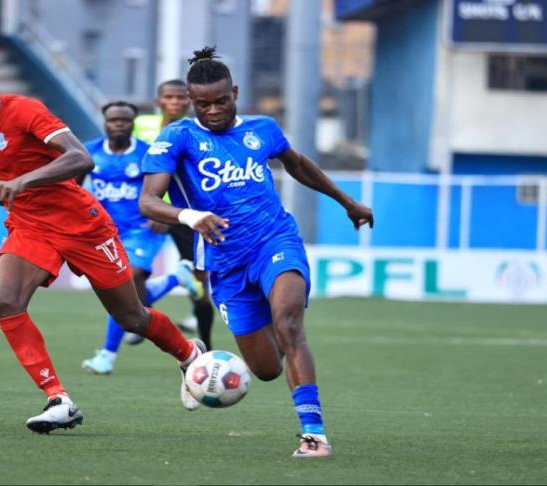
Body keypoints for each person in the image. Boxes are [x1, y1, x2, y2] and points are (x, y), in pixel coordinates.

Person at [0, 56, 208, 434]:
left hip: (83, 226)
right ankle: (58, 399)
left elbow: (80, 159)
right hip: (30, 227)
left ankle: (189, 354)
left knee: (132, 317)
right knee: (3, 300)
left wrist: (20, 183)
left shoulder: (25, 111)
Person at [139, 47, 374, 458]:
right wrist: (191, 217)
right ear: (193, 101)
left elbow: (298, 164)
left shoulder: (263, 128)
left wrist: (346, 201)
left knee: (289, 325)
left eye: (221, 100)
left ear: (235, 91)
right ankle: (204, 351)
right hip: (224, 262)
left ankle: (313, 434)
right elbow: (148, 201)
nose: (212, 110)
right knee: (266, 370)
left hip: (275, 240)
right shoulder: (177, 136)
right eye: (202, 103)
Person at [80, 100, 202, 374]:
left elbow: (170, 182)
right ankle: (176, 279)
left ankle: (107, 356)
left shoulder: (146, 153)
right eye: (114, 120)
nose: (119, 124)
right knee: (128, 297)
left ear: (132, 124)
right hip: (106, 232)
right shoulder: (90, 152)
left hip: (143, 229)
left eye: (125, 120)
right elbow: (70, 184)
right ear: (106, 123)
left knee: (126, 282)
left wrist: (162, 212)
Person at [130, 79, 216, 350]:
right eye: (169, 97)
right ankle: (144, 321)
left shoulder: (198, 130)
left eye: (181, 98)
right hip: (147, 213)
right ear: (159, 102)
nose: (176, 102)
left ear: (189, 101)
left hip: (185, 213)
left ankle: (206, 345)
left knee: (198, 282)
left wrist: (166, 209)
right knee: (132, 275)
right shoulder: (140, 126)